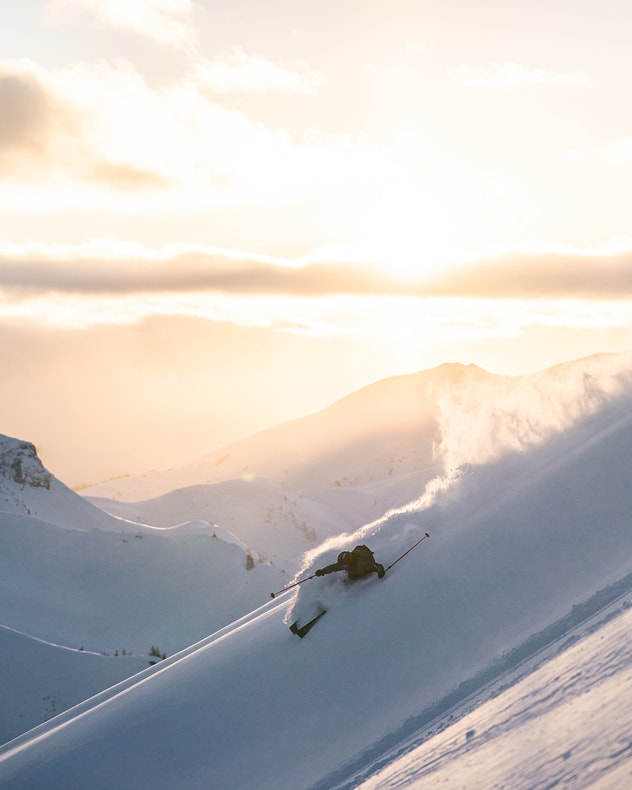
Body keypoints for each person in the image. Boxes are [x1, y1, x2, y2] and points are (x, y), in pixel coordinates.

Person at [315, 544, 385, 580]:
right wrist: (322, 571)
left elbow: (376, 566)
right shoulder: (345, 565)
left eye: (344, 565)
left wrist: (380, 571)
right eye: (342, 565)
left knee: (352, 576)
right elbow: (333, 567)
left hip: (365, 559)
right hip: (357, 562)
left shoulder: (362, 565)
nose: (343, 567)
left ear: (349, 562)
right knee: (351, 576)